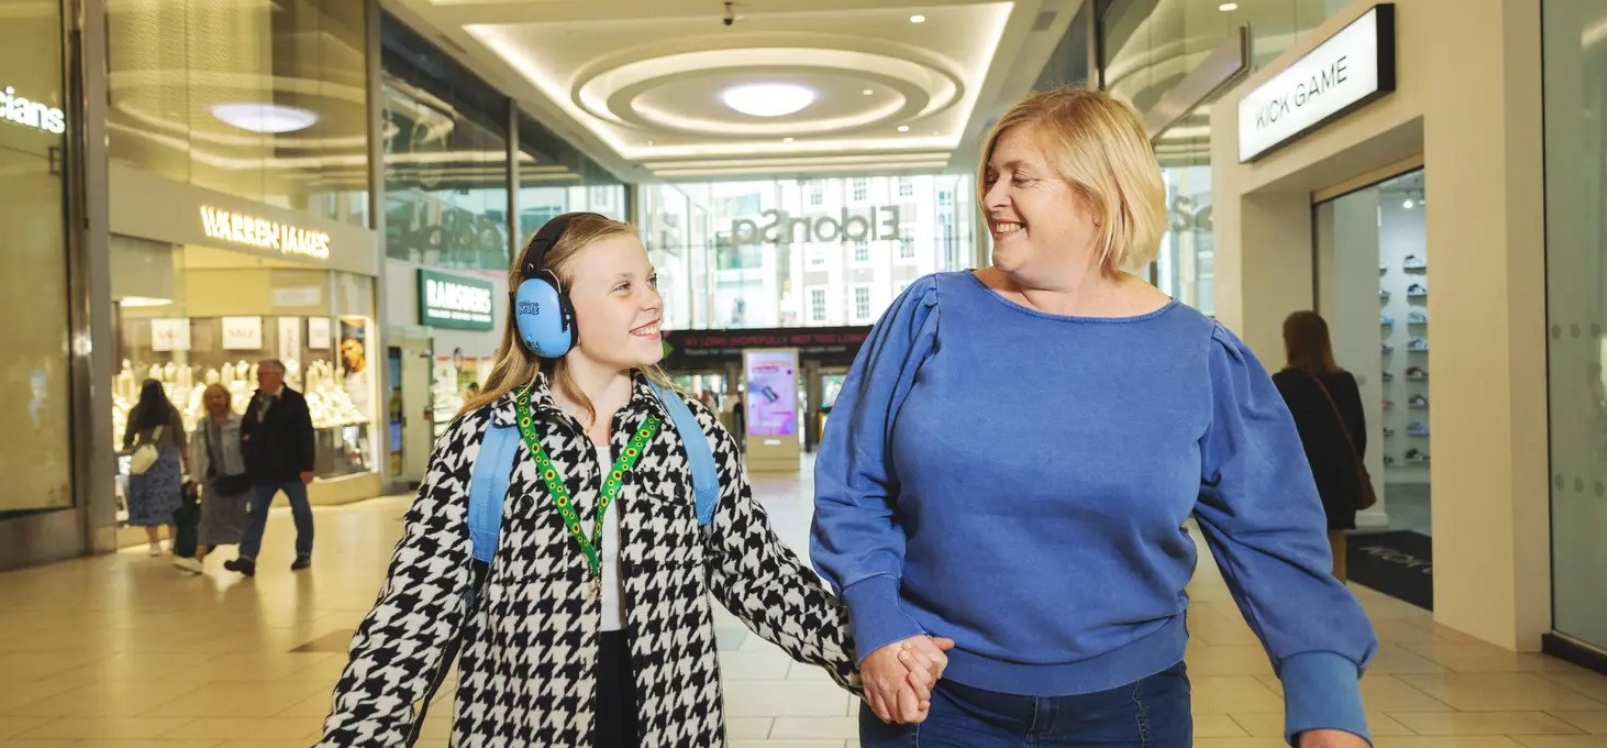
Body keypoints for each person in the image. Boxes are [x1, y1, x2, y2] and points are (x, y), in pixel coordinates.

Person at [810, 86, 1378, 748]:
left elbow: (1275, 539)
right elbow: (853, 484)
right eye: (991, 177)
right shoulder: (930, 314)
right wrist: (878, 620)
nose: (993, 198)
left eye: (1021, 178)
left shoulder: (1201, 355)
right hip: (933, 700)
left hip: (1130, 712)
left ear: (1101, 194)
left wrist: (1329, 706)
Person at [316, 213, 950, 748]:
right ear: (545, 312)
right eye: (623, 287)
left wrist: (871, 645)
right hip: (526, 723)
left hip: (670, 719)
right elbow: (413, 618)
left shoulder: (689, 434)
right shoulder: (486, 441)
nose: (651, 299)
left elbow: (759, 574)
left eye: (649, 280)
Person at [1272, 311, 1368, 583]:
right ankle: (1337, 616)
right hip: (1339, 484)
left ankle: (1306, 617)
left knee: (1299, 554)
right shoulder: (1345, 382)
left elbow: (1274, 442)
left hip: (1298, 485)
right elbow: (1358, 434)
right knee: (1336, 551)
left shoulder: (1282, 385)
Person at [227, 359, 316, 577]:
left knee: (301, 510)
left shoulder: (294, 401)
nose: (259, 379)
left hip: (290, 468)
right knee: (256, 512)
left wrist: (307, 466)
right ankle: (247, 556)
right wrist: (247, 453)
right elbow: (247, 428)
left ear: (277, 375)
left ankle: (303, 552)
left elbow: (305, 434)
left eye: (262, 374)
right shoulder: (256, 399)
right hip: (262, 470)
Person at [176, 383, 253, 574]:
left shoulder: (240, 423)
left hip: (238, 477)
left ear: (226, 398)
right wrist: (195, 478)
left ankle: (247, 557)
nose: (215, 402)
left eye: (218, 397)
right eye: (210, 398)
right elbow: (198, 453)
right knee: (207, 518)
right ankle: (198, 559)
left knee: (241, 518)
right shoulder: (202, 426)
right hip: (213, 478)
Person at [122, 379, 187, 557]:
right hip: (167, 461)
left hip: (145, 461)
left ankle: (154, 542)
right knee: (171, 501)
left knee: (148, 501)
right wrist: (186, 462)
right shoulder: (170, 411)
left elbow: (127, 438)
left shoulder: (136, 412)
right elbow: (180, 438)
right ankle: (173, 540)